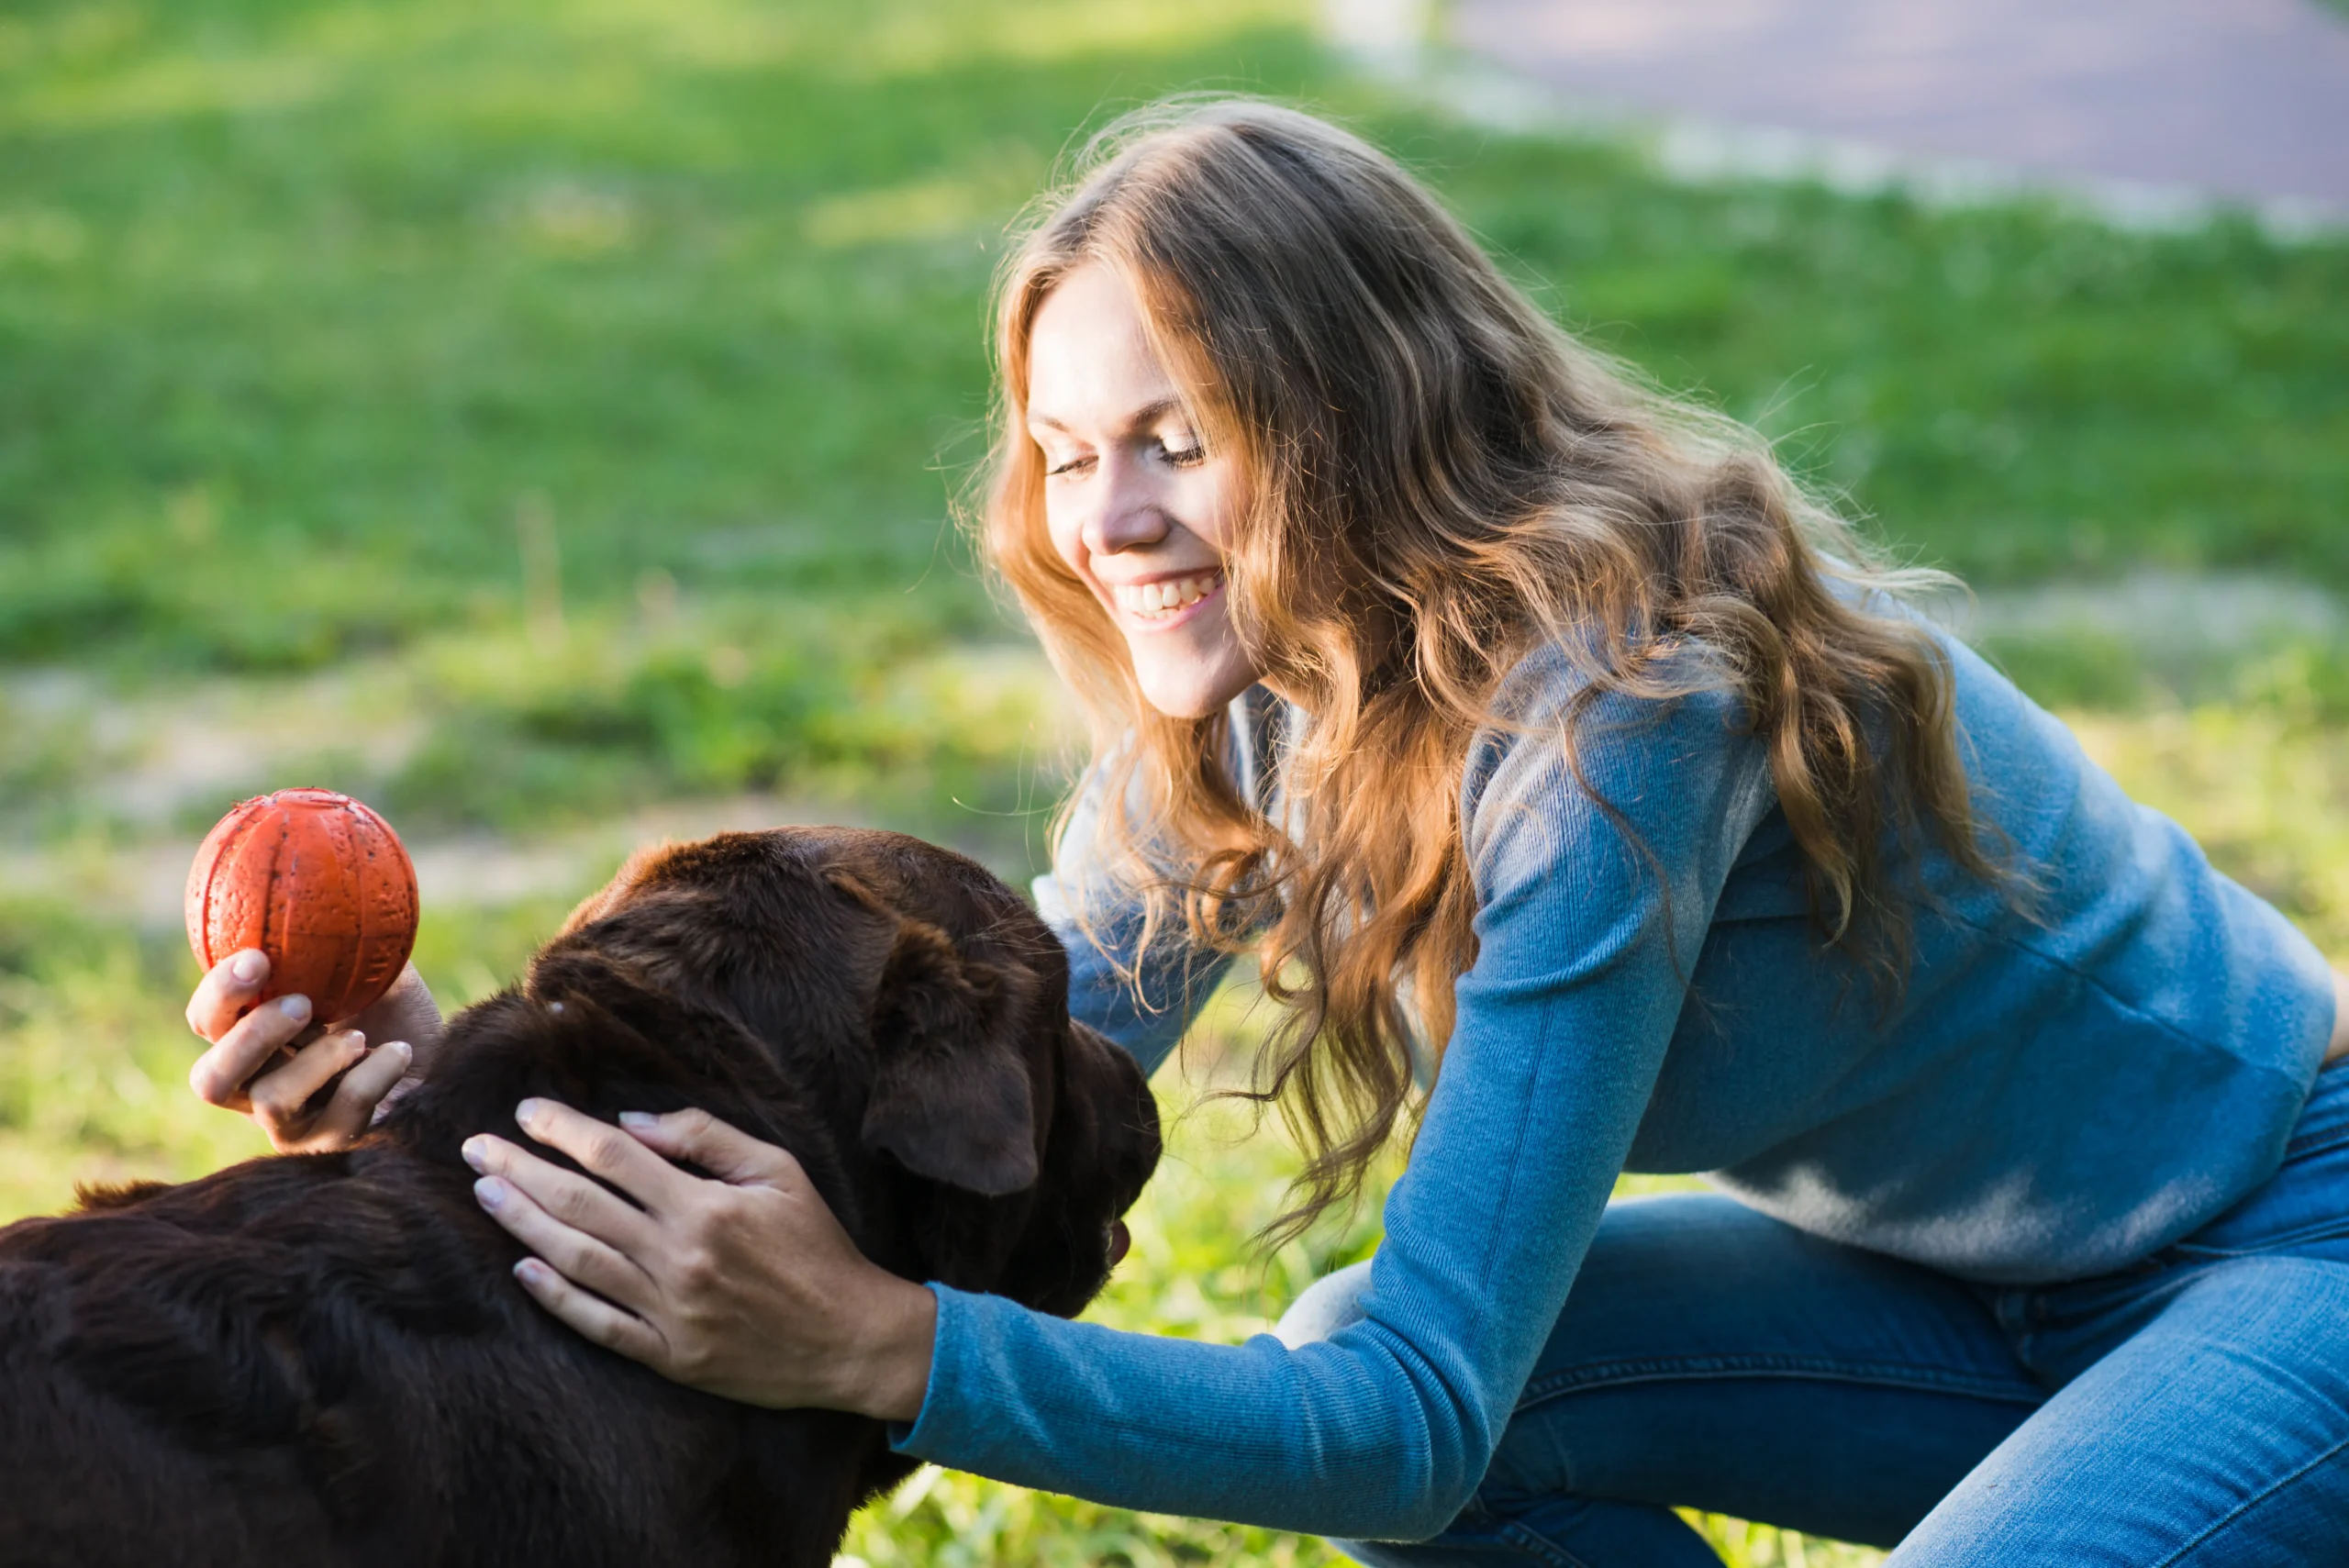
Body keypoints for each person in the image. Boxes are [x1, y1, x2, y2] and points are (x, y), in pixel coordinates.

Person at [183, 100, 2349, 1563]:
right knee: (1391, 1405)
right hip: (1938, 1295)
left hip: (2281, 1254)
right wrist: (477, 1109)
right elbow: (982, 1117)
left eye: (1173, 441)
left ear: (1356, 407)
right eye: (1058, 452)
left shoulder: (1612, 711)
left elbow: (1411, 1408)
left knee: (1397, 1415)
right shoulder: (1256, 698)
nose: (1102, 524)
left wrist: (878, 1347)